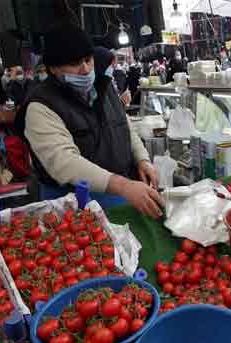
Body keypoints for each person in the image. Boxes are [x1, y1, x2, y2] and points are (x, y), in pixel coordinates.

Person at [16, 24, 162, 218]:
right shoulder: (41, 106)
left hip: (119, 194)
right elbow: (64, 163)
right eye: (75, 63)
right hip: (73, 205)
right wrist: (124, 186)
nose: (85, 70)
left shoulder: (105, 87)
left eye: (88, 60)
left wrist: (142, 159)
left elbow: (124, 126)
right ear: (53, 68)